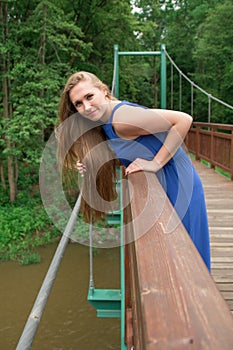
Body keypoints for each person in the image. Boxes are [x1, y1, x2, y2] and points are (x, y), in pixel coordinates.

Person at [57, 71, 211, 271]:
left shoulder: (121, 118)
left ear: (104, 91)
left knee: (189, 259)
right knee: (177, 259)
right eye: (78, 104)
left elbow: (183, 120)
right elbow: (132, 148)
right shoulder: (105, 123)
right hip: (165, 186)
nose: (86, 107)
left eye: (89, 96)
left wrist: (155, 163)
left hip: (180, 185)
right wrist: (89, 164)